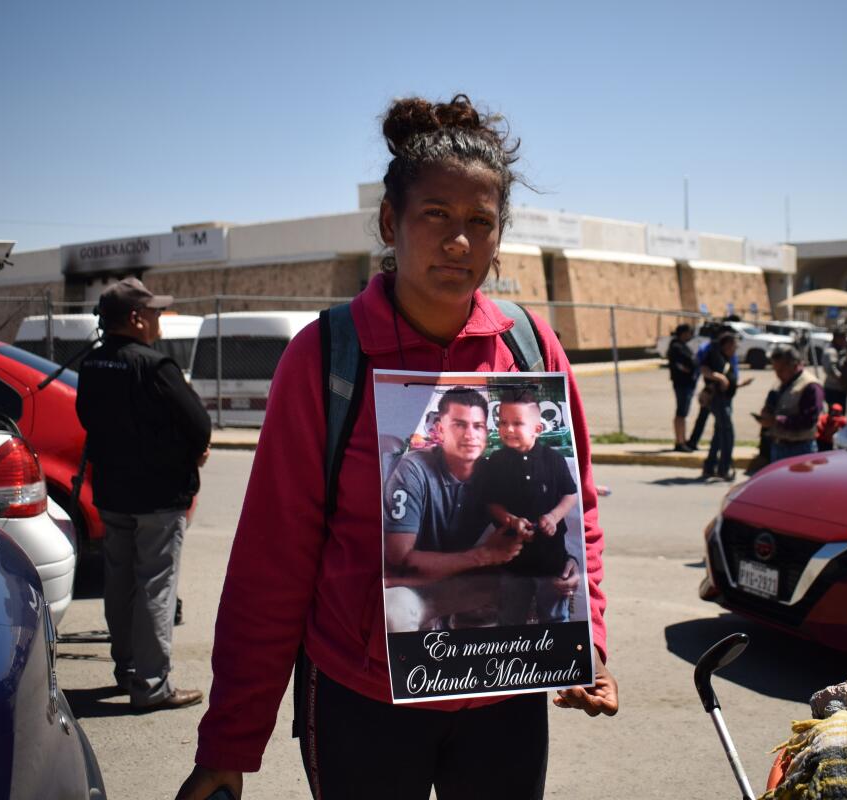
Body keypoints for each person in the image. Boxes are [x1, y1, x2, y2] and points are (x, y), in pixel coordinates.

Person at [176, 95, 616, 800]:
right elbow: (272, 559)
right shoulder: (326, 358)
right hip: (362, 704)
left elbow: (582, 513)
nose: (459, 243)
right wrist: (230, 741)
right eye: (436, 215)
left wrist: (585, 638)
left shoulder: (530, 348)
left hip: (504, 699)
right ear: (390, 222)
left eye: (480, 222)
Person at [75, 277, 211, 712]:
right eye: (154, 313)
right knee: (155, 585)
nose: (160, 321)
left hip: (113, 492)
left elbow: (87, 417)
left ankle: (127, 669)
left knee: (120, 583)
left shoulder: (93, 365)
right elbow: (198, 424)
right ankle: (151, 685)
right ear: (135, 319)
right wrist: (192, 450)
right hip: (158, 496)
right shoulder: (155, 367)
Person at [381, 386, 528, 632]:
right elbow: (400, 558)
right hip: (410, 584)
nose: (470, 434)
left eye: (477, 426)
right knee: (395, 610)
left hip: (459, 583)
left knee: (529, 585)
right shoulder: (414, 469)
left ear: (487, 432)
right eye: (459, 424)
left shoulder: (494, 472)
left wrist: (569, 562)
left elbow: (529, 526)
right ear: (439, 429)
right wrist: (482, 556)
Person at [478, 387, 580, 626]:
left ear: (537, 429)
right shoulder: (497, 461)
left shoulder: (553, 460)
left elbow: (570, 494)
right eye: (503, 422)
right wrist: (511, 520)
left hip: (550, 559)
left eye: (517, 423)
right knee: (510, 617)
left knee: (554, 617)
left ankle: (555, 660)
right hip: (512, 560)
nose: (508, 429)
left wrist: (554, 517)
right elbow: (492, 503)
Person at [760, 345, 824, 462]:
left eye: (780, 370)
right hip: (778, 446)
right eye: (775, 370)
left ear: (794, 365)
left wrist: (777, 421)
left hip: (799, 449)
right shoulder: (783, 382)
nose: (777, 375)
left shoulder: (810, 385)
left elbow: (808, 421)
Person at [700, 332, 746, 481]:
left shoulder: (727, 358)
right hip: (719, 401)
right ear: (727, 344)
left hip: (725, 400)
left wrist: (738, 384)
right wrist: (720, 378)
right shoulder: (715, 355)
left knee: (719, 434)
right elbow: (704, 370)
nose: (736, 347)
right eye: (734, 344)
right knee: (728, 435)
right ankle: (724, 469)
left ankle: (710, 467)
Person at [667, 323, 698, 451]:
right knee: (681, 413)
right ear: (683, 333)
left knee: (683, 413)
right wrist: (688, 369)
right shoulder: (676, 347)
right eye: (689, 332)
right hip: (682, 384)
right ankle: (680, 441)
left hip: (687, 384)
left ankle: (682, 440)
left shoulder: (682, 346)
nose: (690, 335)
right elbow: (680, 364)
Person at [821, 329, 847, 409]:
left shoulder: (839, 350)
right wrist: (844, 381)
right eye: (844, 338)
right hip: (834, 390)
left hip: (838, 389)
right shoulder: (831, 352)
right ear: (837, 338)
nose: (845, 341)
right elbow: (832, 370)